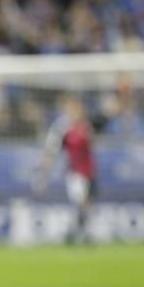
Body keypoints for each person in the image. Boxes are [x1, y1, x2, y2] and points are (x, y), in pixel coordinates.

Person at [35, 96, 97, 244]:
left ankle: (75, 232)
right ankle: (79, 234)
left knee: (87, 203)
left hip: (89, 171)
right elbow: (52, 150)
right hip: (75, 172)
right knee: (81, 202)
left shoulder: (85, 126)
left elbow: (91, 144)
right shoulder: (63, 128)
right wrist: (43, 174)